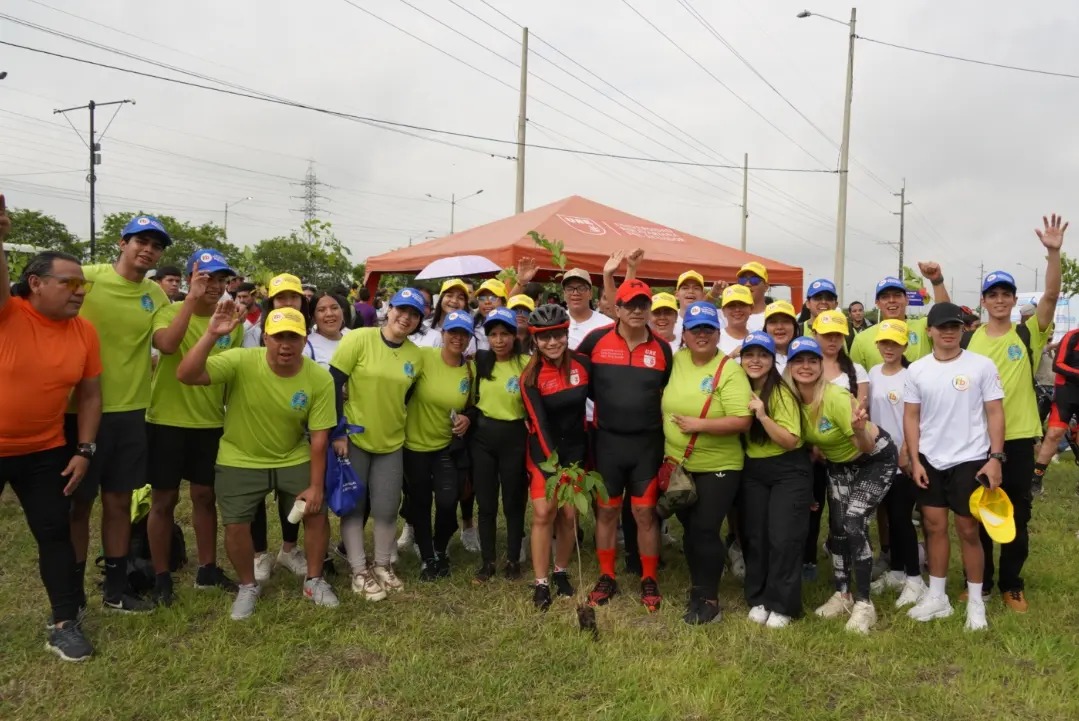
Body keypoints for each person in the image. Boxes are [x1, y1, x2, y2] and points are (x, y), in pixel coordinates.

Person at [177, 304, 338, 620]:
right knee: (236, 524)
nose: (285, 345)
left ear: (305, 340)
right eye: (278, 337)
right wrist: (211, 335)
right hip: (240, 456)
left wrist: (316, 487)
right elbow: (186, 374)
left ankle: (314, 580)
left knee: (316, 512)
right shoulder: (241, 360)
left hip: (292, 454)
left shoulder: (319, 377)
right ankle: (248, 585)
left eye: (293, 337)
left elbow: (320, 438)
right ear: (265, 338)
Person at [0, 195, 101, 661]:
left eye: (83, 284)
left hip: (44, 450)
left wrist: (84, 449)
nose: (79, 291)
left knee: (55, 533)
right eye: (69, 283)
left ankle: (64, 622)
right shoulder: (10, 313)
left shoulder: (84, 332)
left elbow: (91, 395)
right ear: (36, 284)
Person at [67, 214, 181, 615]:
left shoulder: (156, 295)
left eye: (156, 245)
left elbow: (166, 344)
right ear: (122, 243)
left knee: (118, 502)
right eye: (140, 241)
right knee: (77, 506)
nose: (148, 250)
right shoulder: (86, 277)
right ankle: (71, 594)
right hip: (78, 409)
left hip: (130, 410)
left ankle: (115, 590)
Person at [965, 216, 1063, 612]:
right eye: (993, 294)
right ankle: (982, 583)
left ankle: (1012, 584)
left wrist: (1053, 253)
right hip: (977, 438)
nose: (1000, 300)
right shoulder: (970, 339)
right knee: (980, 510)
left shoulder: (1027, 334)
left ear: (1013, 299)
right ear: (984, 301)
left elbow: (1051, 296)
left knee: (1017, 513)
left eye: (1006, 294)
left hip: (1019, 437)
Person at [146, 249, 243, 606]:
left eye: (221, 279)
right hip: (166, 419)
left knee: (204, 496)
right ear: (190, 279)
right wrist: (189, 302)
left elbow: (230, 373)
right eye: (206, 278)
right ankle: (161, 576)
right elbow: (167, 345)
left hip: (210, 421)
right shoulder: (168, 311)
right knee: (164, 499)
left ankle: (207, 569)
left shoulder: (233, 321)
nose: (215, 286)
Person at [902, 302, 1005, 631]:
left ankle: (976, 602)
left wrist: (995, 458)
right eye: (942, 327)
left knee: (968, 530)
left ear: (963, 329)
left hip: (970, 459)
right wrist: (915, 459)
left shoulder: (981, 365)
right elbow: (911, 417)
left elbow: (995, 412)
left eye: (955, 326)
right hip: (930, 460)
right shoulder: (917, 370)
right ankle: (937, 597)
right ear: (929, 331)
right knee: (933, 527)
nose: (949, 332)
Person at [786, 337, 898, 634]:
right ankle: (842, 594)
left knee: (853, 522)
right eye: (799, 361)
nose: (806, 366)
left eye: (812, 361)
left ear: (821, 366)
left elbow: (866, 445)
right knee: (836, 526)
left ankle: (864, 604)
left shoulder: (835, 397)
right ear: (790, 367)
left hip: (874, 458)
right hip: (839, 463)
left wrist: (859, 430)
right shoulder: (791, 400)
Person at [577, 279, 673, 612]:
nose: (636, 310)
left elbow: (667, 391)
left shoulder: (663, 349)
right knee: (606, 510)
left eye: (643, 304)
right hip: (607, 442)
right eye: (629, 304)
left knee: (645, 513)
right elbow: (578, 379)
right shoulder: (595, 340)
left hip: (647, 444)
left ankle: (649, 578)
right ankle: (607, 575)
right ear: (616, 308)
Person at [331, 288, 426, 600]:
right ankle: (359, 571)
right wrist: (338, 431)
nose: (406, 318)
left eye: (414, 314)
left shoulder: (415, 356)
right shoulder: (359, 339)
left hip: (392, 441)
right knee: (354, 507)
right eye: (401, 310)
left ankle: (383, 565)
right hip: (354, 438)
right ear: (389, 309)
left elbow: (405, 397)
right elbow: (334, 382)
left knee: (386, 507)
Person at [662, 301, 752, 624]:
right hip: (679, 465)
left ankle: (710, 600)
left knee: (704, 528)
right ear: (684, 333)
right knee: (690, 530)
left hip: (719, 464)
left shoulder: (729, 370)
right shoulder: (676, 361)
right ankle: (698, 588)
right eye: (695, 329)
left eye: (708, 329)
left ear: (717, 333)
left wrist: (699, 425)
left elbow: (742, 420)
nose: (702, 335)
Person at [520, 304, 591, 610]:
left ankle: (560, 571)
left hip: (576, 450)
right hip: (545, 452)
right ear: (535, 340)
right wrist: (556, 467)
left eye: (557, 335)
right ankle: (541, 582)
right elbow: (540, 424)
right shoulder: (531, 377)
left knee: (569, 516)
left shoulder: (583, 365)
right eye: (544, 337)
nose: (552, 342)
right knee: (544, 513)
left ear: (566, 333)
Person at [738, 331, 810, 628]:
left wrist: (763, 416)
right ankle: (759, 597)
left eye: (763, 355)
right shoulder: (738, 386)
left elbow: (791, 441)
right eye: (749, 355)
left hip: (787, 469)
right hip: (754, 470)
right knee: (755, 535)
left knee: (783, 537)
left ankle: (782, 604)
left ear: (772, 360)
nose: (755, 361)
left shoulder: (781, 392)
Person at [249, 273, 314, 581]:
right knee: (256, 493)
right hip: (260, 424)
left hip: (301, 425)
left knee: (294, 492)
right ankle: (259, 554)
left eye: (293, 297)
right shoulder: (254, 333)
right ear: (270, 302)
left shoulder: (309, 334)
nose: (288, 302)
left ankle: (289, 549)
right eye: (281, 297)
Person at [403, 311, 474, 581]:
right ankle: (428, 557)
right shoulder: (423, 356)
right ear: (442, 333)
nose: (458, 338)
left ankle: (440, 547)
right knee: (420, 502)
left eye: (464, 334)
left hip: (446, 446)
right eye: (452, 332)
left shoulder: (471, 369)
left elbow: (475, 405)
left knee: (447, 500)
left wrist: (468, 418)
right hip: (414, 445)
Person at [866, 319, 927, 608]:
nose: (889, 348)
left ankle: (915, 579)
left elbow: (918, 417)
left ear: (905, 345)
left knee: (902, 518)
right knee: (889, 516)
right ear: (878, 344)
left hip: (903, 458)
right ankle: (898, 571)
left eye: (895, 343)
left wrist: (907, 452)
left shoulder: (912, 375)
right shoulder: (873, 373)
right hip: (878, 457)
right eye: (884, 343)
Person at [470, 308, 529, 582]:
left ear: (514, 336)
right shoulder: (480, 362)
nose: (499, 340)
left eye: (505, 334)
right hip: (483, 438)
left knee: (513, 501)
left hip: (515, 437)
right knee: (486, 502)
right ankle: (488, 561)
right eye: (493, 334)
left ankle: (514, 559)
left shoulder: (526, 363)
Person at [849, 263, 950, 369]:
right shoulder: (861, 339)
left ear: (907, 300)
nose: (892, 300)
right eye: (885, 297)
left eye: (897, 295)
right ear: (877, 303)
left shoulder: (923, 327)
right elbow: (855, 376)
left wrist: (937, 281)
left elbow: (945, 315)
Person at [812, 310, 869, 405]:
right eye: (827, 334)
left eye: (838, 335)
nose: (833, 339)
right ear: (814, 334)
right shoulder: (804, 369)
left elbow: (861, 408)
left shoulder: (857, 370)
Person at [558, 267, 613, 349]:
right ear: (564, 294)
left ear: (590, 294)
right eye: (570, 289)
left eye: (581, 288)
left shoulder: (607, 324)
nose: (575, 293)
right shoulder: (557, 322)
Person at [304, 292, 351, 370]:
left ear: (342, 312)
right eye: (321, 310)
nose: (329, 314)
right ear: (313, 317)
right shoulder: (305, 347)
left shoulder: (354, 339)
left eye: (334, 308)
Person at [764, 300, 798, 373]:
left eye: (786, 321)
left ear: (794, 327)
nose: (779, 327)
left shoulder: (808, 357)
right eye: (773, 322)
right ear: (765, 327)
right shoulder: (753, 359)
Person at [718, 285, 753, 356]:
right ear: (723, 311)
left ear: (751, 309)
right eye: (731, 306)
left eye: (742, 305)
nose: (737, 309)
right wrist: (731, 356)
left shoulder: (757, 337)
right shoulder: (714, 338)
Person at [735, 261, 769, 331]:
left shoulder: (774, 316)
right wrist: (714, 295)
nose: (747, 284)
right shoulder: (730, 315)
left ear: (766, 287)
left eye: (754, 280)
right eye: (743, 280)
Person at [235, 282, 262, 348]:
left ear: (254, 295)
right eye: (239, 297)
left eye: (245, 296)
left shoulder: (265, 313)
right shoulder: (234, 316)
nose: (241, 300)